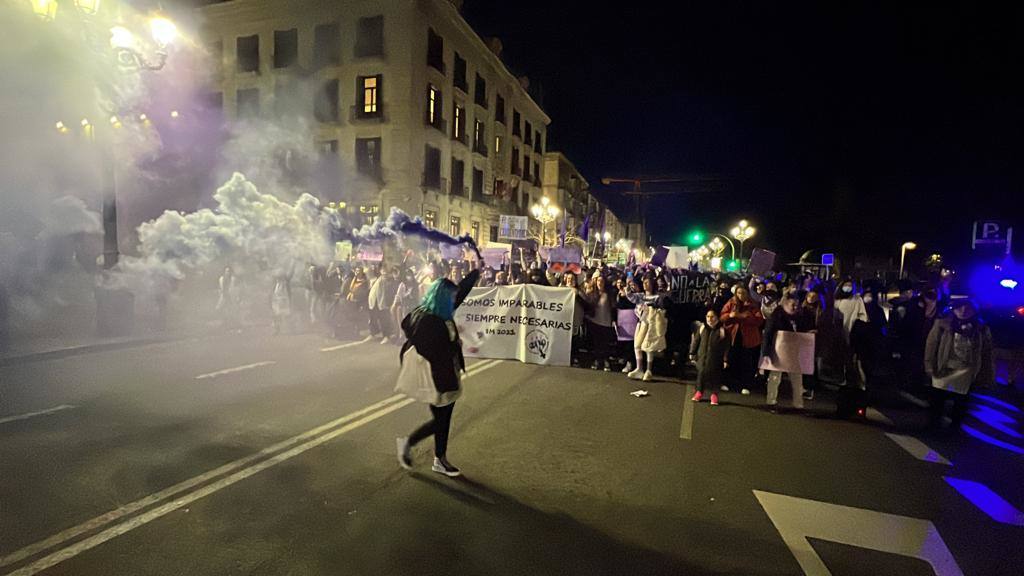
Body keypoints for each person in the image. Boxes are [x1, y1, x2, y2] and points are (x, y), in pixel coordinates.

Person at [396, 264, 482, 477]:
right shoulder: (429, 320)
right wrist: (454, 345)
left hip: (445, 370)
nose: (455, 300)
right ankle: (410, 444)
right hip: (437, 374)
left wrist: (476, 272)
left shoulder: (438, 311)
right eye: (451, 298)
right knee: (441, 419)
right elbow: (429, 348)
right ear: (443, 298)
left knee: (444, 417)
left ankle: (439, 459)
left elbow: (460, 292)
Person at [923, 299, 993, 430]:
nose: (963, 311)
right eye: (959, 307)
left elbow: (987, 353)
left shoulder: (981, 328)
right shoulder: (942, 324)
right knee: (937, 399)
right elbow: (931, 345)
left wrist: (985, 374)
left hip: (966, 370)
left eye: (968, 308)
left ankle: (954, 427)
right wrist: (929, 365)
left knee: (960, 401)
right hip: (943, 367)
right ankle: (933, 425)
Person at [761, 294, 815, 411]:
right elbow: (768, 334)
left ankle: (798, 404)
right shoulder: (777, 315)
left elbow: (803, 330)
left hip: (794, 352)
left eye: (797, 305)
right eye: (792, 304)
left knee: (797, 379)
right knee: (775, 378)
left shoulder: (800, 316)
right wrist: (766, 353)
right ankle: (771, 402)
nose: (795, 307)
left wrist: (809, 333)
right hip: (778, 352)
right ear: (786, 303)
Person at [720, 285, 765, 395]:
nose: (741, 295)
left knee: (747, 362)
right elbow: (722, 317)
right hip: (733, 337)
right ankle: (729, 383)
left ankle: (746, 384)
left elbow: (759, 320)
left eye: (743, 293)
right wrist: (730, 315)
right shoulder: (731, 303)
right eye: (739, 293)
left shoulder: (753, 305)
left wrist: (743, 317)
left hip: (748, 338)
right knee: (731, 360)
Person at [626, 275, 671, 381]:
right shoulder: (641, 296)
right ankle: (639, 368)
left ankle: (649, 370)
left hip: (652, 324)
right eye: (644, 283)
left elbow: (663, 308)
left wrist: (654, 309)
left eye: (647, 283)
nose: (645, 285)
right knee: (637, 345)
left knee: (649, 346)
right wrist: (628, 289)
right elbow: (631, 297)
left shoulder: (657, 297)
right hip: (642, 322)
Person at [689, 308, 729, 406]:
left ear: (717, 318)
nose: (709, 319)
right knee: (701, 374)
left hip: (715, 358)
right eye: (708, 316)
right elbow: (696, 341)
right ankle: (699, 392)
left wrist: (725, 359)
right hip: (702, 357)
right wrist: (692, 352)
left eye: (712, 316)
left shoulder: (722, 330)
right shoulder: (702, 328)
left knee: (715, 376)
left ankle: (714, 394)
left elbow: (726, 346)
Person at [584, 273, 617, 371]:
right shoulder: (592, 293)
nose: (600, 283)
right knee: (596, 343)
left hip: (606, 322)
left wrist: (614, 320)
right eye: (598, 281)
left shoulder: (609, 294)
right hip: (595, 321)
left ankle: (606, 361)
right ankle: (598, 361)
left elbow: (613, 307)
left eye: (602, 281)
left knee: (605, 343)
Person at [367, 264, 393, 344]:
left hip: (383, 302)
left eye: (385, 270)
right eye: (382, 270)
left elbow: (390, 291)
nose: (384, 271)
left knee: (384, 319)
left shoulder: (389, 279)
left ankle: (386, 336)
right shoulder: (377, 279)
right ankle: (373, 333)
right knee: (373, 318)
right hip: (374, 301)